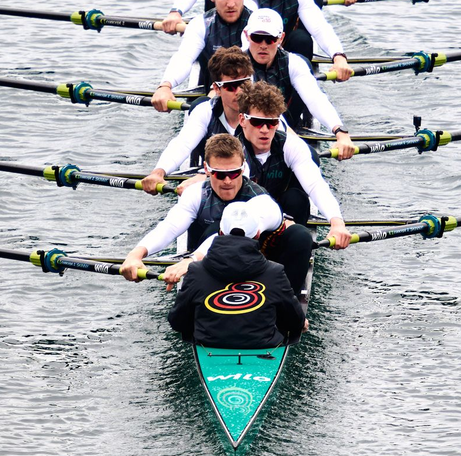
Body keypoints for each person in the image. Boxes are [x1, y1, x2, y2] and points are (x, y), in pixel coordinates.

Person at [119, 134, 342, 298]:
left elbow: (227, 235)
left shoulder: (261, 201)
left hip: (262, 264)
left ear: (243, 168)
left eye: (234, 173)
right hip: (218, 264)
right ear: (206, 170)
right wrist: (136, 254)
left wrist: (192, 260)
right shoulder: (196, 194)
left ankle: (289, 302)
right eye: (220, 174)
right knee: (208, 226)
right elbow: (169, 227)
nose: (228, 181)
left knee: (301, 237)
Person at [168, 201, 305, 349]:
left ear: (220, 232)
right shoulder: (275, 272)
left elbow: (177, 321)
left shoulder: (196, 271)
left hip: (207, 344)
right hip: (264, 345)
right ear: (258, 234)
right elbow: (295, 322)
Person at [234, 83, 351, 240]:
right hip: (244, 217)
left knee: (297, 200)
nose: (264, 130)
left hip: (284, 217)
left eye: (272, 123)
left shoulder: (291, 145)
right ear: (242, 120)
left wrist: (337, 222)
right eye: (257, 122)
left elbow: (316, 185)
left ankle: (294, 244)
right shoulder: (233, 151)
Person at [243, 8, 356, 159]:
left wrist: (340, 132)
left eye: (270, 39)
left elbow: (315, 98)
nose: (263, 45)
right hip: (245, 130)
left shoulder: (294, 63)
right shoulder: (236, 65)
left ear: (281, 38)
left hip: (280, 125)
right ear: (247, 36)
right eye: (257, 37)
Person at [141, 46, 253, 194]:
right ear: (217, 89)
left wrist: (203, 179)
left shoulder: (263, 115)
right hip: (220, 179)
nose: (239, 92)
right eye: (231, 87)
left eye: (243, 84)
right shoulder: (206, 111)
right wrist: (159, 172)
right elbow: (183, 144)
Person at [152, 0, 253, 111]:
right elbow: (184, 57)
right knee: (199, 105)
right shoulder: (200, 24)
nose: (231, 4)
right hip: (213, 90)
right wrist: (165, 86)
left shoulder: (256, 22)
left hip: (251, 91)